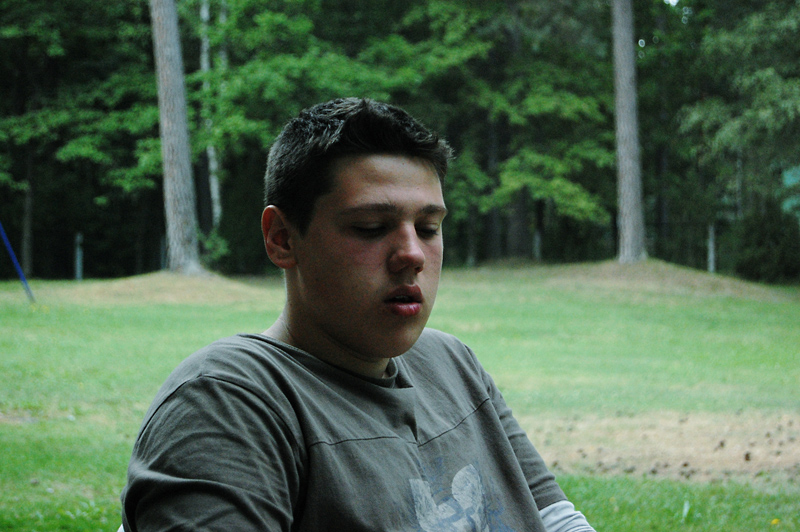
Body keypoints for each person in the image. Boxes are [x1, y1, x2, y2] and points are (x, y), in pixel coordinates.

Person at [120, 98, 595, 531]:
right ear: (282, 238)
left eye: (428, 227)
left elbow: (555, 520)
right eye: (371, 227)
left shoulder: (452, 364)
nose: (413, 254)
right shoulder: (227, 403)